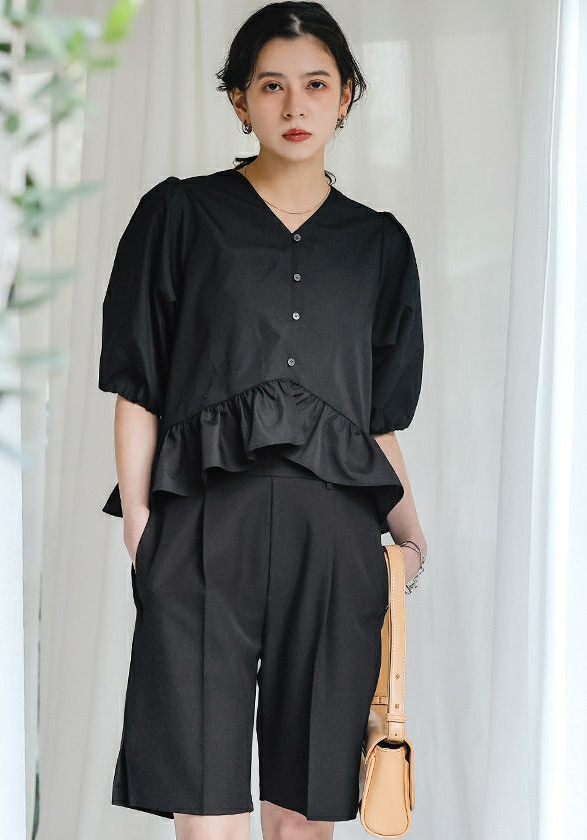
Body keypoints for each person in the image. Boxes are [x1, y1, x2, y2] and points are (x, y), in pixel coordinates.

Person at [98, 2, 427, 838]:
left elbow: (376, 419)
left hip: (334, 540)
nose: (295, 105)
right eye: (271, 86)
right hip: (204, 526)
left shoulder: (380, 245)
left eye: (316, 84)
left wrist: (412, 534)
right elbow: (137, 386)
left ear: (346, 97)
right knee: (205, 811)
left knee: (305, 814)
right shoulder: (179, 215)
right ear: (240, 101)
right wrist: (140, 524)